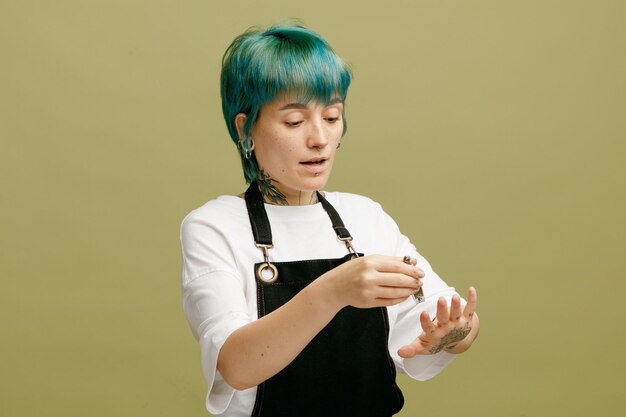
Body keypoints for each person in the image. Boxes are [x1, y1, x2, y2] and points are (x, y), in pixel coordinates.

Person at [180, 22, 479, 417]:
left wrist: (455, 332)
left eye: (332, 116)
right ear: (245, 128)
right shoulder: (214, 226)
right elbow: (236, 365)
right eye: (294, 121)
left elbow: (440, 319)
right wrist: (333, 291)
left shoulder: (365, 217)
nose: (320, 138)